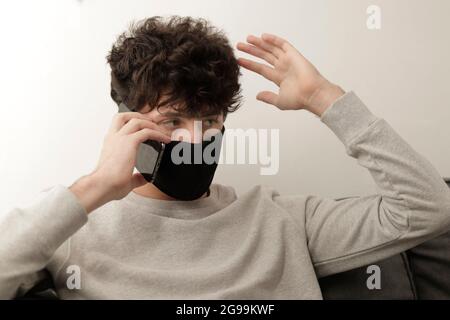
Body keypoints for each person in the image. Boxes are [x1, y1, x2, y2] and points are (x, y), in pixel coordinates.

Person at [1, 15, 449, 299]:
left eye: (210, 121)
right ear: (126, 123)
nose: (195, 140)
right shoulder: (76, 226)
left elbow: (429, 210)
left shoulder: (281, 219)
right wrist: (95, 186)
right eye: (173, 121)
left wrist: (323, 98)